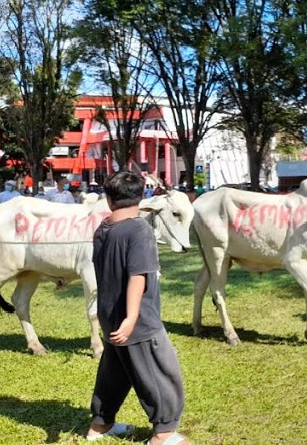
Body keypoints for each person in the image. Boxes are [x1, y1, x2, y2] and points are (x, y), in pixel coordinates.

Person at [86, 171, 189, 445]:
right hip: (137, 319)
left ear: (109, 199)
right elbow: (137, 275)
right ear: (141, 197)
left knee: (115, 373)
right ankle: (164, 434)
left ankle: (100, 425)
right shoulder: (139, 229)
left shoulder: (103, 228)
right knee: (161, 371)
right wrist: (132, 317)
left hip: (109, 315)